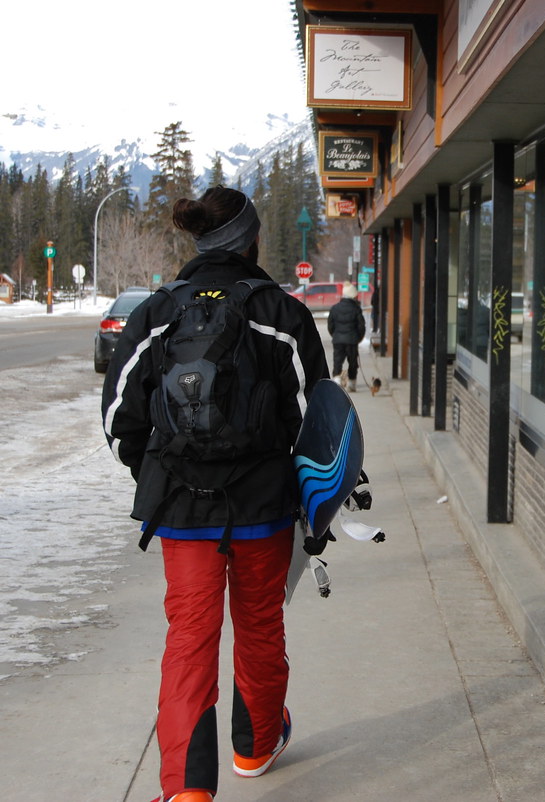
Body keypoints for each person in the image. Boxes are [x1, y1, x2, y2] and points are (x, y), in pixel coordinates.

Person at [101, 187, 329, 802]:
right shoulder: (282, 313)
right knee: (259, 628)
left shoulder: (156, 313)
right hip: (261, 510)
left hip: (182, 512)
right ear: (250, 240)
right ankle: (253, 749)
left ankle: (186, 790)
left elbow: (119, 418)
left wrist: (160, 472)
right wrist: (308, 502)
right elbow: (317, 421)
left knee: (189, 640)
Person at [327, 283, 366, 391]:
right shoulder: (356, 309)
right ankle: (351, 383)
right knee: (353, 362)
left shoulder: (335, 308)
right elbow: (361, 326)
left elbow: (330, 325)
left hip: (338, 340)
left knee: (337, 361)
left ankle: (336, 382)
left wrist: (335, 335)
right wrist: (358, 338)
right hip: (352, 340)